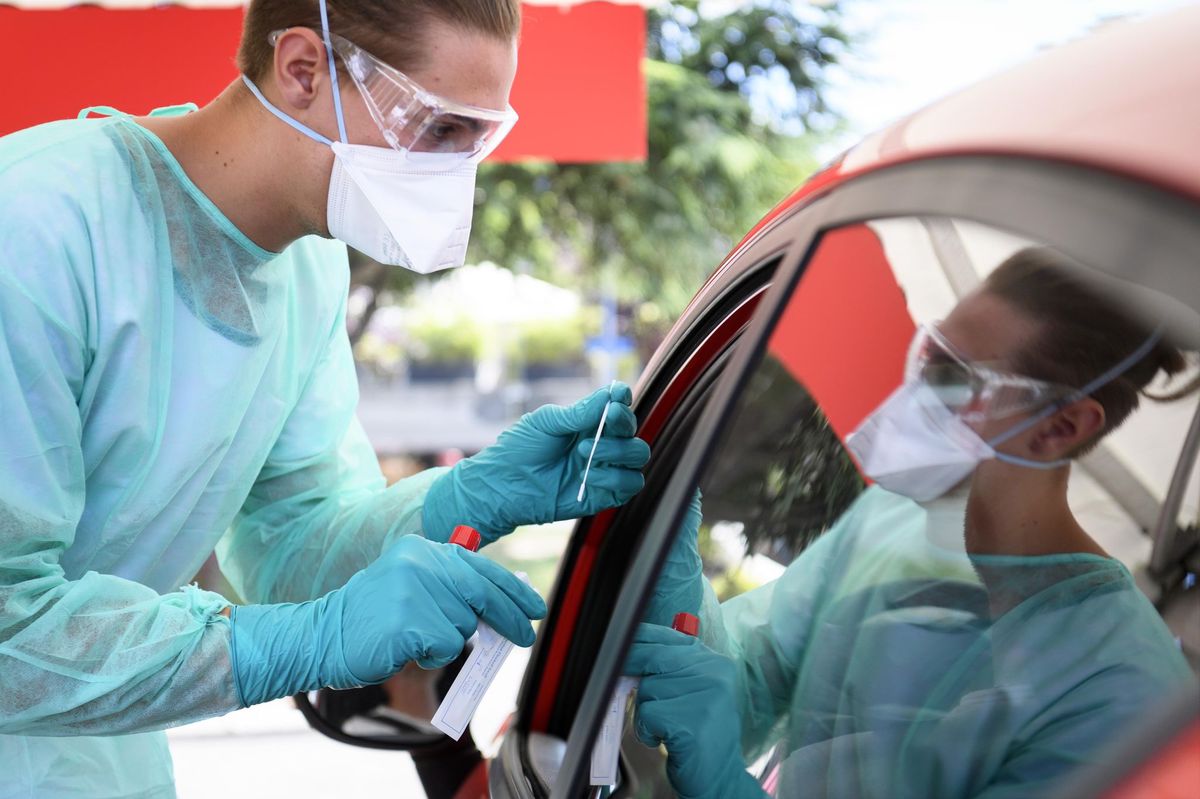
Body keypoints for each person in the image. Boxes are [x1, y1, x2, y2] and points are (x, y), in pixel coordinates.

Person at [0, 1, 650, 797]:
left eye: (478, 138)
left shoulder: (307, 271)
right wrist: (300, 643)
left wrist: (462, 496)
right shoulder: (33, 226)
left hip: (97, 764)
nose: (458, 173)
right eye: (438, 126)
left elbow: (289, 546)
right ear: (303, 69)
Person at [626, 248, 1198, 798]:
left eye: (952, 377)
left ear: (1059, 428)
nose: (917, 390)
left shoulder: (1122, 692)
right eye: (928, 353)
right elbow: (746, 681)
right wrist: (665, 548)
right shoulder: (891, 519)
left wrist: (727, 787)